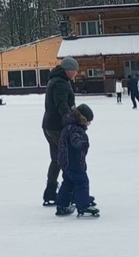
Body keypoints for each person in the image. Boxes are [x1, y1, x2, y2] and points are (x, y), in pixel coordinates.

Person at [42, 56, 78, 206]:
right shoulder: (61, 83)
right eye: (75, 71)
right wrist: (71, 119)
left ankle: (50, 193)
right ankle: (72, 192)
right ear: (68, 70)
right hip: (57, 127)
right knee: (68, 158)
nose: (76, 73)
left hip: (49, 125)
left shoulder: (55, 80)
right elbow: (61, 104)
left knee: (56, 159)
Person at [54, 104, 98, 218]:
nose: (89, 123)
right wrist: (83, 144)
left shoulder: (69, 126)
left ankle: (62, 205)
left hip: (65, 162)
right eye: (89, 121)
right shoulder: (75, 129)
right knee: (82, 182)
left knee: (68, 183)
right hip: (74, 162)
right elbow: (76, 142)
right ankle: (83, 206)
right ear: (83, 119)